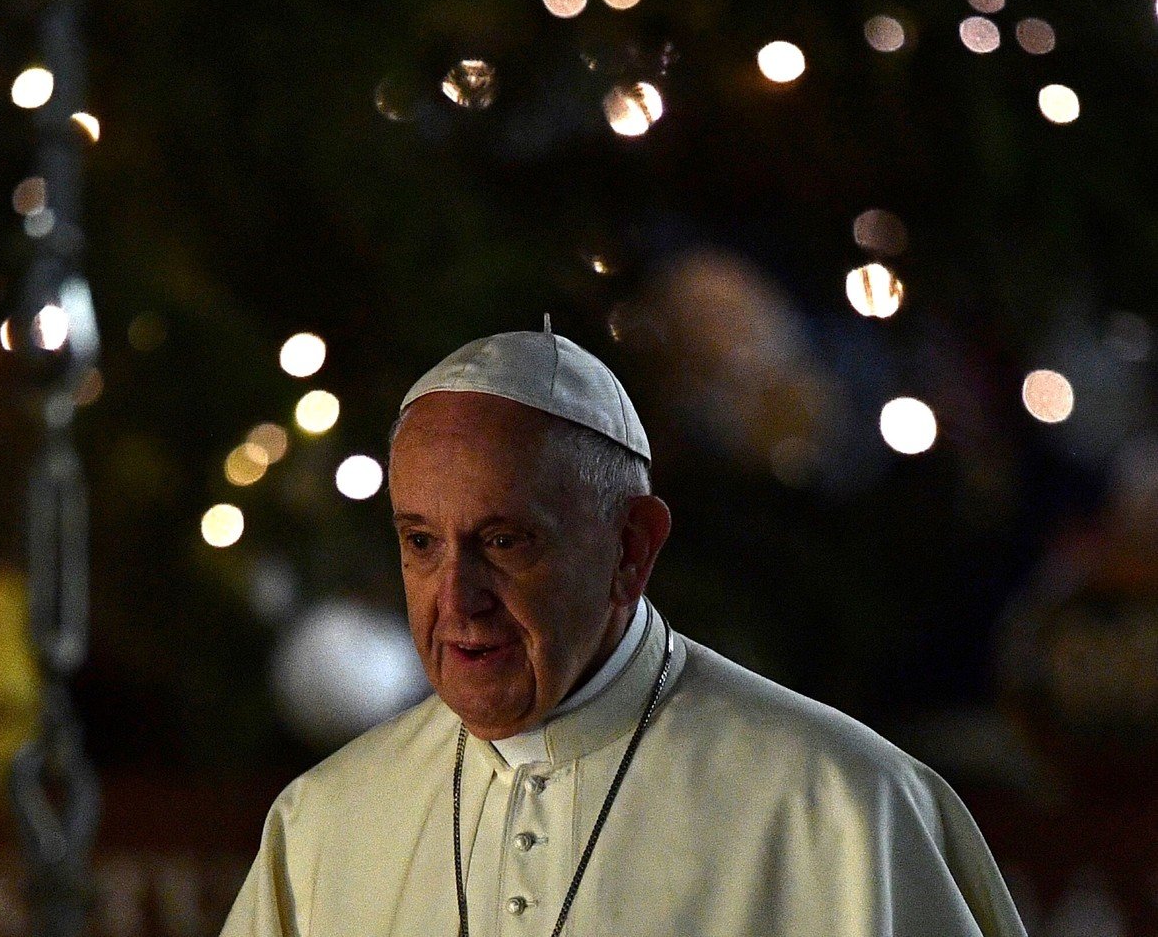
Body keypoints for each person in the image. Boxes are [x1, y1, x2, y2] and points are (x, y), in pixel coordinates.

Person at [221, 324, 1028, 937]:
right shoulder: (323, 823)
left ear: (630, 547)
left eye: (505, 541)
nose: (457, 598)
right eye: (421, 542)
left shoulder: (843, 806)